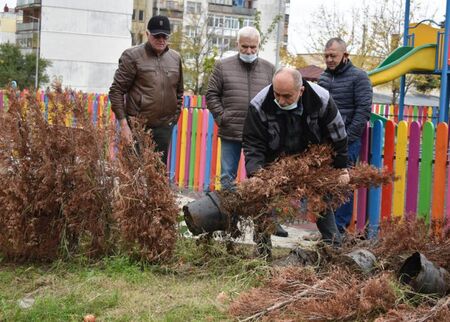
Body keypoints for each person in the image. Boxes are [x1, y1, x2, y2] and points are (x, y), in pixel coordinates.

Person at [242, 67, 349, 257]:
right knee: (261, 198)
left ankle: (334, 249)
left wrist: (341, 168)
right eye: (277, 95)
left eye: (287, 96)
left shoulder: (321, 100)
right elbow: (253, 143)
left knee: (320, 200)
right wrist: (255, 174)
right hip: (274, 158)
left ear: (301, 91)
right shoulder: (259, 104)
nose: (281, 101)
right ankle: (262, 252)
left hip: (310, 158)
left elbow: (337, 134)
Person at [206, 27, 288, 238]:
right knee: (227, 178)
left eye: (253, 47)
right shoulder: (223, 67)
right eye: (245, 46)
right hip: (232, 131)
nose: (249, 51)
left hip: (260, 136)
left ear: (258, 46)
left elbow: (277, 98)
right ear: (238, 45)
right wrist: (222, 117)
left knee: (264, 178)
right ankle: (230, 222)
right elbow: (212, 94)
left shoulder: (270, 69)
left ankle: (269, 221)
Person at [109, 15, 183, 165]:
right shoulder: (132, 56)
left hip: (164, 127)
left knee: (157, 177)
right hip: (137, 128)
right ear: (147, 34)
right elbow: (116, 91)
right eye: (157, 36)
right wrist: (124, 125)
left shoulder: (175, 58)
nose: (161, 39)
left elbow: (179, 92)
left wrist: (173, 120)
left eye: (165, 36)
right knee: (133, 175)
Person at [318, 38, 372, 234]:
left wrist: (347, 138)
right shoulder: (323, 78)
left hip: (348, 141)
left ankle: (339, 229)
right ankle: (326, 229)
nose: (330, 59)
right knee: (324, 185)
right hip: (325, 142)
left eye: (334, 55)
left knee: (343, 185)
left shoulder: (359, 77)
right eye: (326, 56)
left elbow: (363, 111)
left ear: (345, 56)